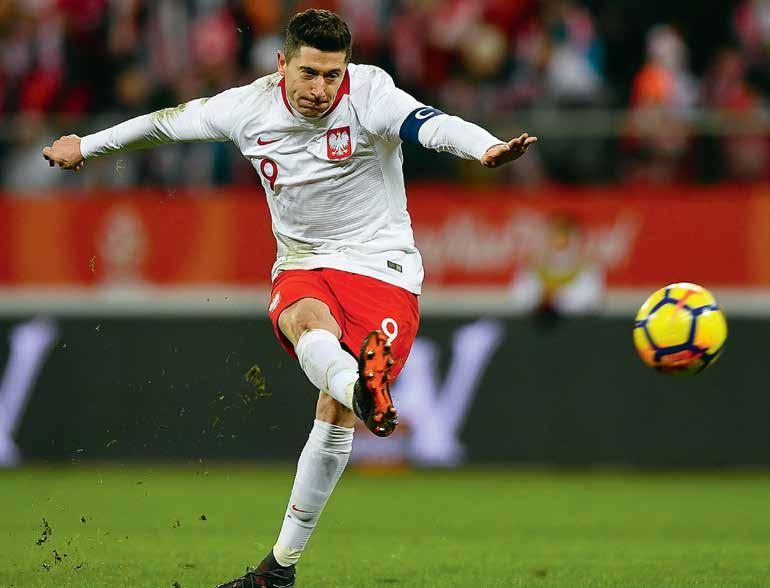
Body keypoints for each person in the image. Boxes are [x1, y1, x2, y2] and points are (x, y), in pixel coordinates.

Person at [41, 9, 537, 587]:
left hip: (382, 268)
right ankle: (360, 388)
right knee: (305, 320)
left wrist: (485, 149)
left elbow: (431, 124)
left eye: (332, 75)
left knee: (334, 412)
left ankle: (280, 564)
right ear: (282, 64)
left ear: (346, 69)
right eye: (309, 73)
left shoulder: (370, 93)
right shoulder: (247, 107)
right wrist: (86, 144)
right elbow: (164, 124)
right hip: (304, 263)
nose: (321, 89)